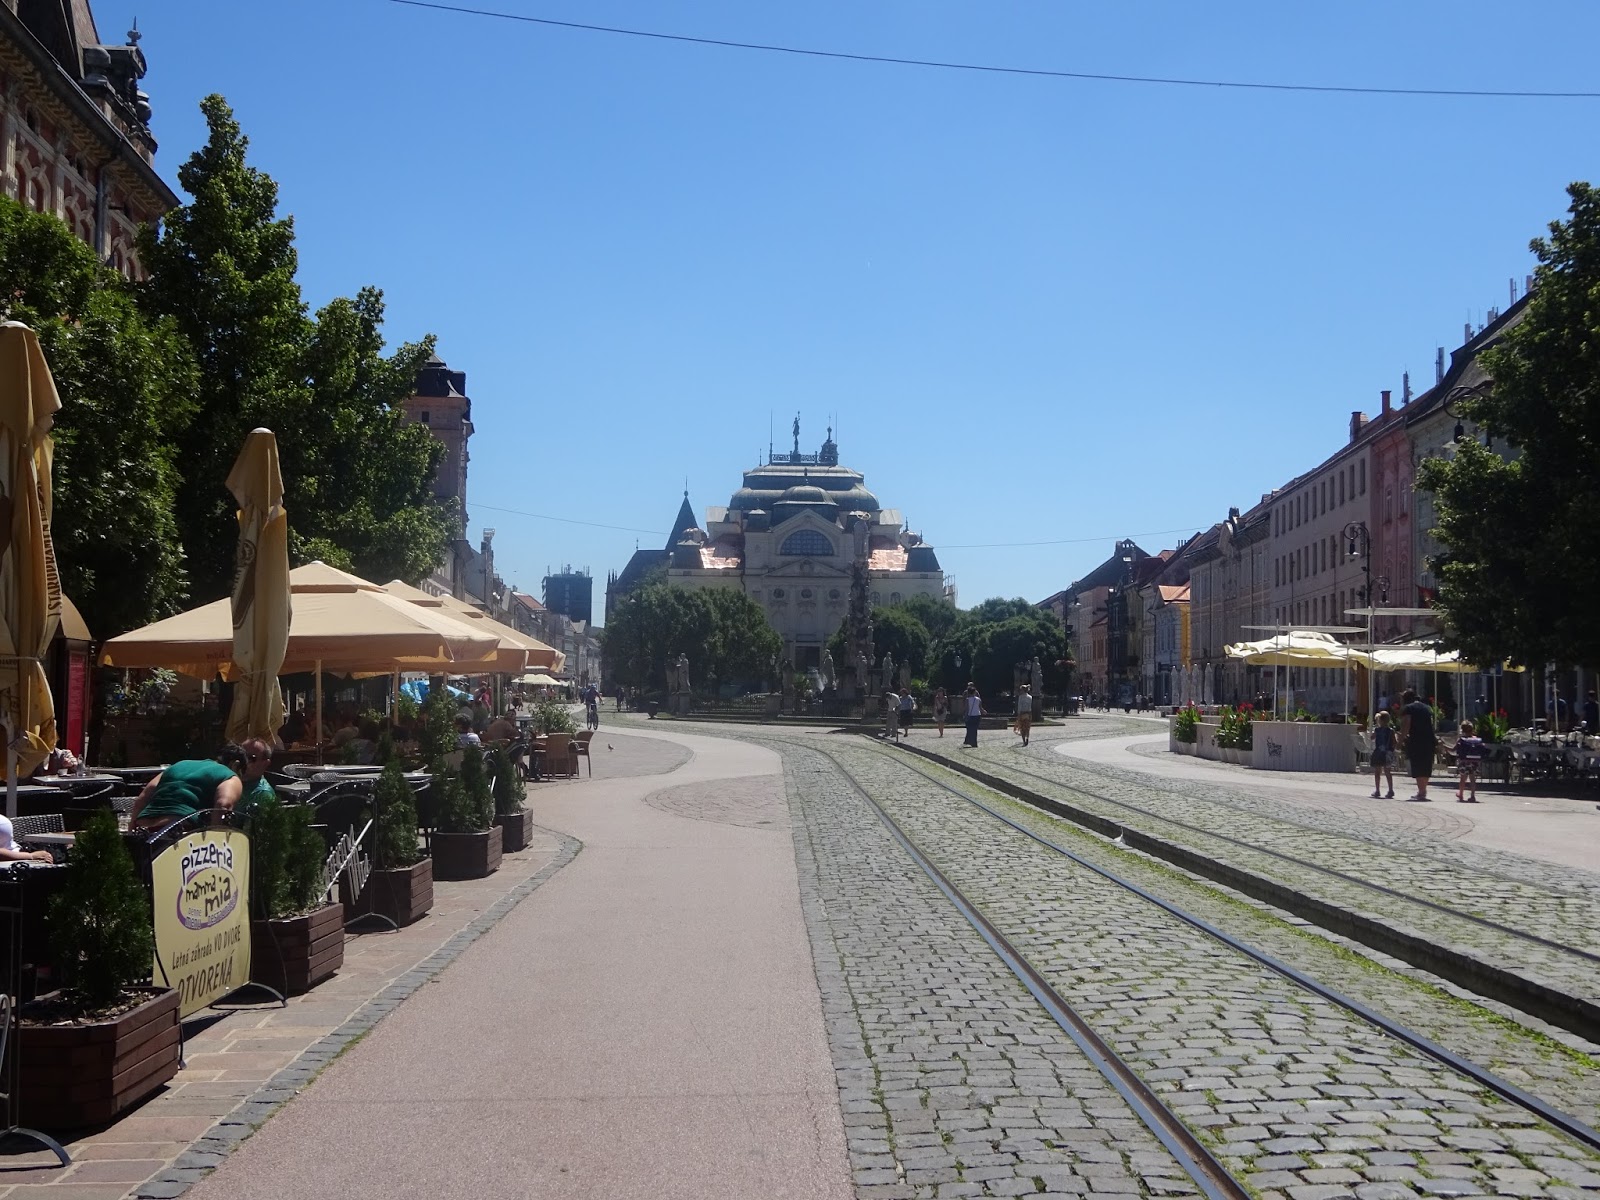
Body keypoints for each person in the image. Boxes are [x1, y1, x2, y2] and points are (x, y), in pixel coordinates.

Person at [130, 747, 247, 831]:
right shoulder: (230, 776)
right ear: (236, 765)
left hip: (144, 827)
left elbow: (142, 799)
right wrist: (216, 841)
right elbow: (223, 805)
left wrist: (131, 831)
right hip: (179, 830)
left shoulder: (178, 765)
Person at [1398, 688, 1437, 802]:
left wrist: (1400, 741)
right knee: (1426, 764)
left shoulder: (1408, 708)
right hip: (1429, 739)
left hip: (1416, 739)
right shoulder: (1426, 708)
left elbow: (1406, 725)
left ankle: (1421, 792)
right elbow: (1431, 723)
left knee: (1418, 765)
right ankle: (1423, 791)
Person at [1454, 720, 1485, 802]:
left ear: (1462, 730)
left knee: (1463, 779)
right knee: (1472, 779)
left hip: (1464, 762)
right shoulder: (1476, 740)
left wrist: (1444, 746)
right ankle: (1472, 796)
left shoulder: (1461, 740)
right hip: (1474, 762)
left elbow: (1454, 749)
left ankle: (1461, 794)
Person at [1368, 711, 1395, 799]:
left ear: (1380, 720)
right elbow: (1394, 742)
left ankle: (1377, 790)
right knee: (1387, 772)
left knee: (1377, 772)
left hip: (1379, 752)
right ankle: (1390, 790)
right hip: (1388, 753)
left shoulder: (1377, 730)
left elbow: (1372, 737)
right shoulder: (1391, 731)